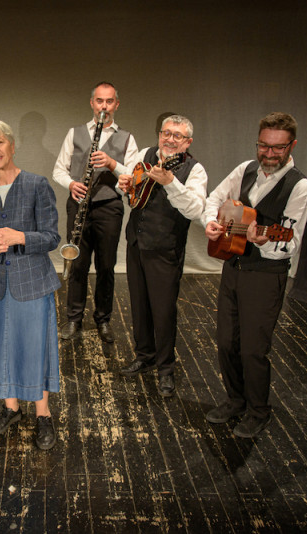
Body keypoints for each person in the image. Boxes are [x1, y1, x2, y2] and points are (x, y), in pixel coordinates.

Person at [202, 112, 307, 438]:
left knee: (253, 349)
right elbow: (215, 199)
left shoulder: (299, 187)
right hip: (232, 266)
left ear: (291, 145)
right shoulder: (245, 169)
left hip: (266, 276)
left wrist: (265, 240)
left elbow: (290, 241)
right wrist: (213, 222)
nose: (268, 154)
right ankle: (235, 399)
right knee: (226, 342)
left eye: (277, 149)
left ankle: (258, 410)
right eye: (263, 146)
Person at [0, 119, 61, 450]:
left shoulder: (37, 185)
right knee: (2, 348)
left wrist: (18, 238)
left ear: (11, 145)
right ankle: (11, 410)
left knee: (34, 350)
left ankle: (43, 415)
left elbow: (52, 237)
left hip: (32, 283)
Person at [117, 114, 208, 397]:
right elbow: (136, 195)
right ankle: (144, 356)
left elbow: (195, 210)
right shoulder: (144, 155)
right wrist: (126, 187)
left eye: (177, 136)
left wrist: (171, 182)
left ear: (188, 142)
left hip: (165, 249)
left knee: (163, 311)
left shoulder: (195, 170)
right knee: (140, 304)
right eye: (166, 133)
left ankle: (166, 368)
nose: (170, 139)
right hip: (137, 243)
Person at [52, 81, 138, 343]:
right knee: (76, 263)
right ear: (92, 103)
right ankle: (74, 319)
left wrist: (112, 164)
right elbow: (58, 170)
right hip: (79, 203)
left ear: (116, 104)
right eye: (99, 101)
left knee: (106, 265)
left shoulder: (127, 138)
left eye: (109, 101)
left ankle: (103, 319)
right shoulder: (74, 133)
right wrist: (71, 184)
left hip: (109, 207)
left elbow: (135, 176)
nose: (104, 106)